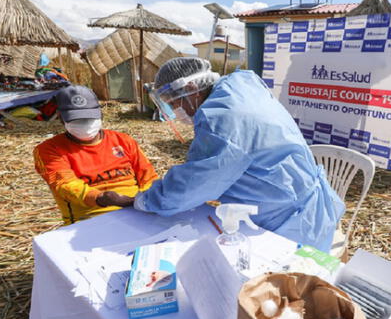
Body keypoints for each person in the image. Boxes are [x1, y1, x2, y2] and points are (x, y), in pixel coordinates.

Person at [135, 57, 345, 252]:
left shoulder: (222, 120)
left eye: (173, 104)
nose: (174, 111)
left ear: (191, 89)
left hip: (287, 220)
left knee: (291, 284)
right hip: (305, 200)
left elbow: (192, 186)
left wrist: (144, 201)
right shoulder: (241, 85)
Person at [34, 85, 158, 224]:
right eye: (76, 120)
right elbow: (66, 185)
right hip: (91, 219)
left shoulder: (123, 141)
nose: (85, 125)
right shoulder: (49, 150)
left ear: (100, 114)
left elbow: (148, 176)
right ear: (61, 118)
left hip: (138, 210)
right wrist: (100, 198)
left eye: (89, 118)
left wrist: (145, 201)